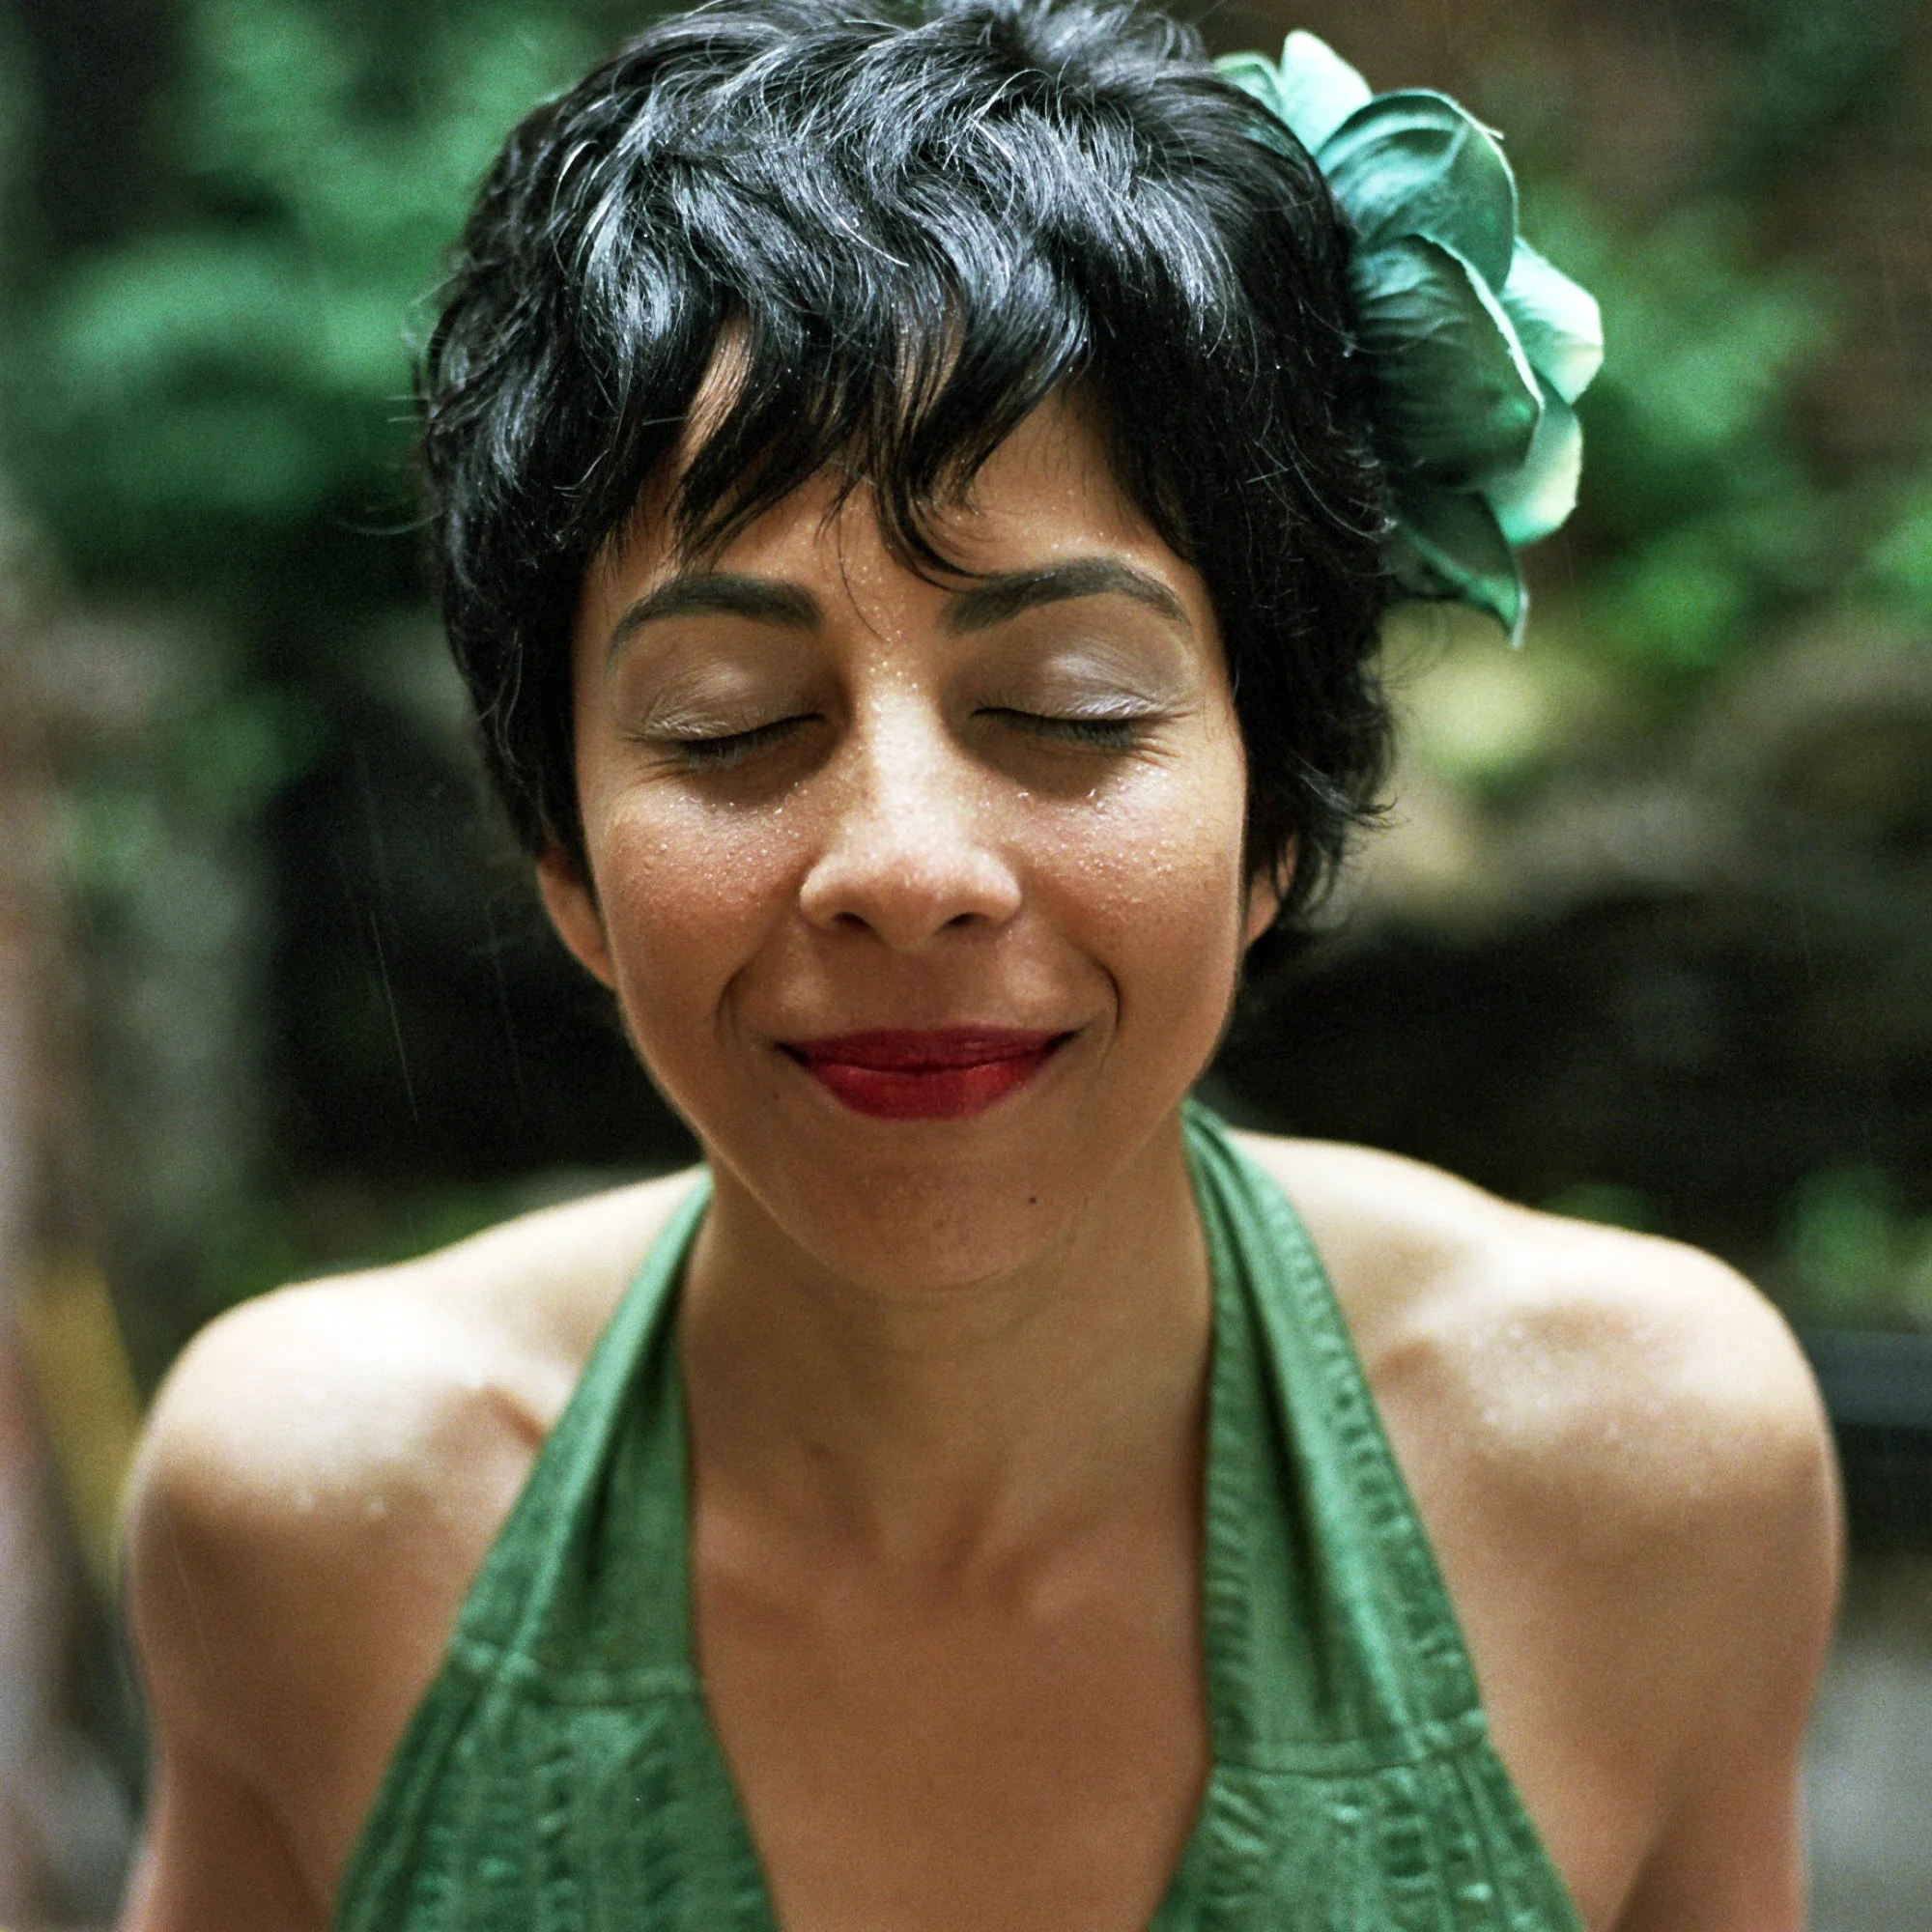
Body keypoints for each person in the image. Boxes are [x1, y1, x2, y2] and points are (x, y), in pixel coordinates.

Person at [116, 3, 1841, 1928]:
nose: (906, 868)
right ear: (561, 853)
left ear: (1275, 807)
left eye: (1067, 704)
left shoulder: (1638, 1476)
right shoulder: (315, 1509)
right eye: (727, 722)